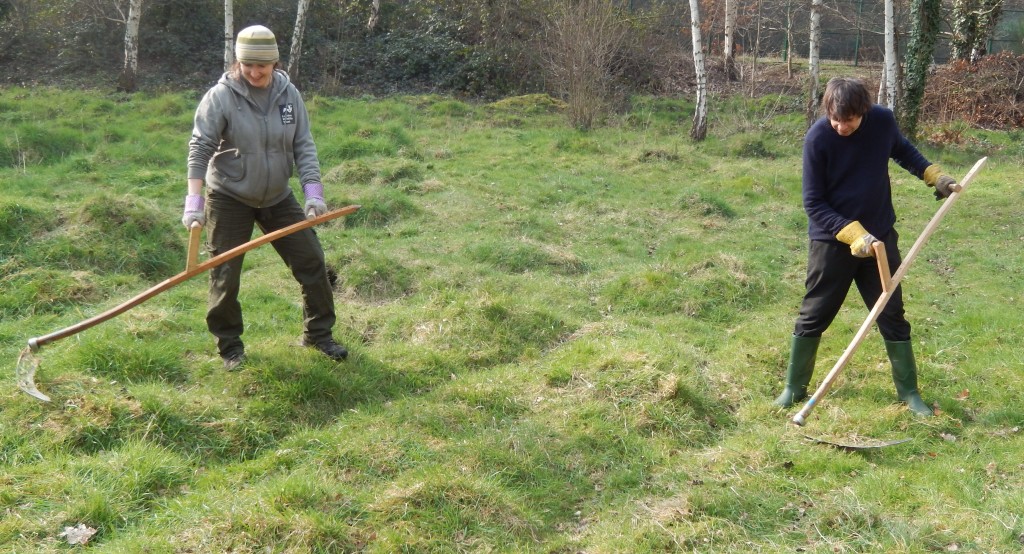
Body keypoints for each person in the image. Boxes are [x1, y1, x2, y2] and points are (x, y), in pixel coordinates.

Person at [773, 77, 959, 416]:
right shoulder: (818, 139)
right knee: (815, 314)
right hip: (832, 241)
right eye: (835, 118)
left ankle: (910, 393)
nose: (841, 126)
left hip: (881, 238)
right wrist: (852, 233)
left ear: (864, 111)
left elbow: (902, 150)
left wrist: (934, 175)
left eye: (849, 119)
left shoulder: (882, 121)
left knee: (892, 314)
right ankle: (793, 388)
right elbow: (813, 202)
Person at [182, 24, 347, 369]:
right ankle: (230, 348)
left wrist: (313, 194)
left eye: (262, 65)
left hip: (277, 196)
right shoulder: (221, 97)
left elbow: (304, 146)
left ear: (275, 63)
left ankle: (318, 336)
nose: (254, 72)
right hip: (229, 197)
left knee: (312, 261)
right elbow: (200, 150)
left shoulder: (289, 95)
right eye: (247, 65)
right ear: (237, 62)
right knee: (225, 275)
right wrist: (194, 204)